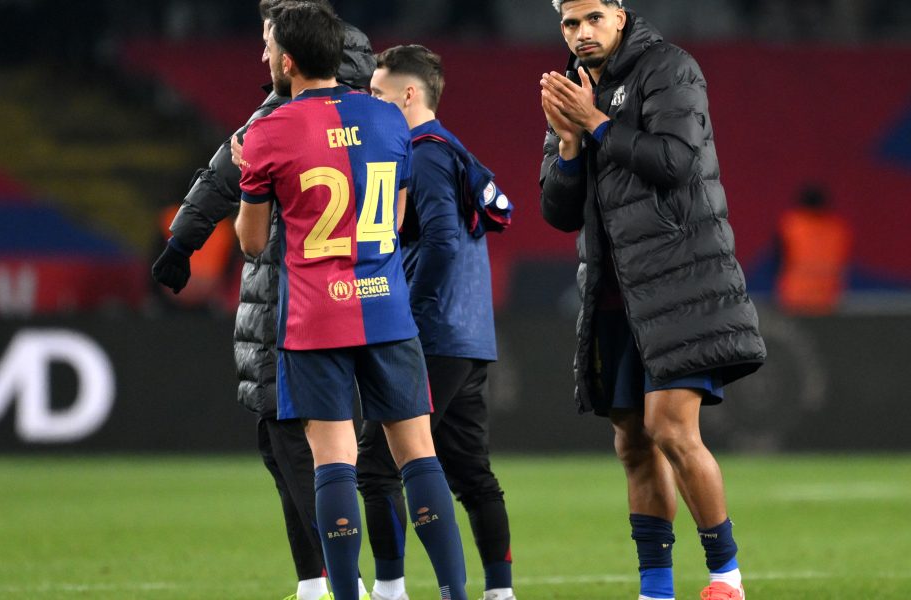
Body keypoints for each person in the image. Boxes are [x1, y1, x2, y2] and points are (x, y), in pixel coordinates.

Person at [234, 4, 468, 600]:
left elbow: (254, 241)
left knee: (333, 462)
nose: (264, 56)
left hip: (315, 318)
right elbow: (392, 218)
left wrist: (250, 177)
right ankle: (455, 594)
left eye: (268, 47)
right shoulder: (390, 118)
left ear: (288, 61)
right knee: (419, 455)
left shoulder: (268, 131)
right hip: (386, 306)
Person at [538, 1, 767, 599]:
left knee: (670, 426)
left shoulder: (670, 68)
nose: (581, 33)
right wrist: (566, 145)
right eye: (569, 23)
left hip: (679, 283)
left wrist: (596, 124)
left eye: (592, 18)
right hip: (614, 294)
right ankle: (656, 590)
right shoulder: (574, 91)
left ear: (620, 13)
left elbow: (676, 160)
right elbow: (558, 213)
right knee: (633, 443)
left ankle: (726, 578)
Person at [150, 1, 377, 598]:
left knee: (297, 442)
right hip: (358, 294)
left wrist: (182, 243)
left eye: (269, 43)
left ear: (294, 50)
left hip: (296, 297)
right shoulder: (370, 110)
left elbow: (225, 175)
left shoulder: (284, 115)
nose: (262, 55)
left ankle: (343, 579)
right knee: (287, 445)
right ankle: (317, 581)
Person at [361, 45, 515, 600]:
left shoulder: (422, 152)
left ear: (409, 94)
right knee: (471, 473)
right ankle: (500, 592)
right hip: (471, 334)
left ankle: (389, 589)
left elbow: (444, 242)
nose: (372, 104)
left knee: (375, 464)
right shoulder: (452, 149)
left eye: (378, 94)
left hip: (435, 334)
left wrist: (414, 314)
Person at [774, 185, 853, 315]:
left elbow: (778, 260)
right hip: (829, 298)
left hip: (795, 297)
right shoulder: (839, 229)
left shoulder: (791, 225)